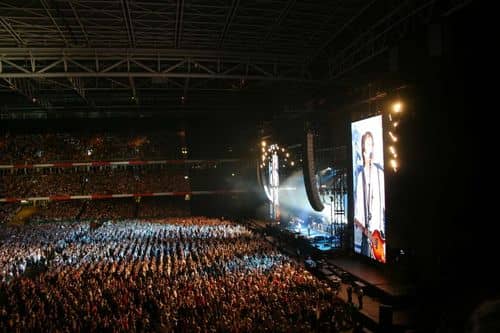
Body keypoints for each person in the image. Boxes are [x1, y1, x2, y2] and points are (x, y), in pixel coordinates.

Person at [354, 131, 386, 263]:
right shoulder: (361, 176)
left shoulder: (380, 173)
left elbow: (383, 204)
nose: (370, 145)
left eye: (371, 143)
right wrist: (367, 233)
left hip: (380, 234)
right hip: (368, 237)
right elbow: (357, 216)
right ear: (363, 148)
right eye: (367, 143)